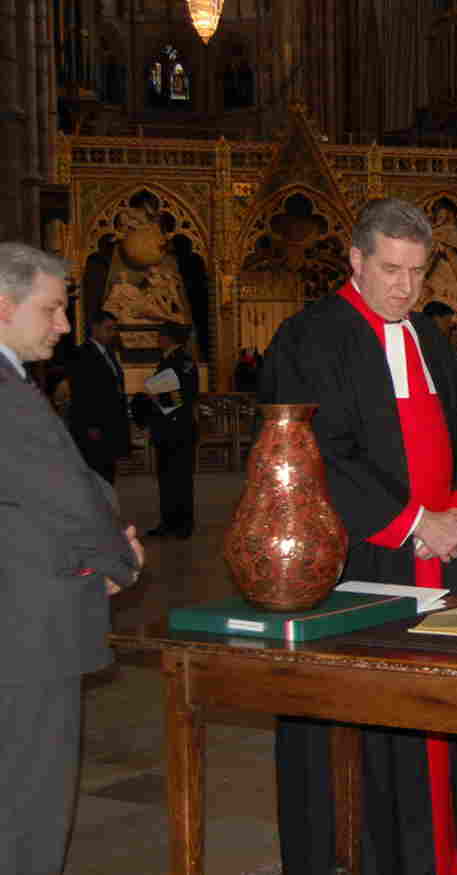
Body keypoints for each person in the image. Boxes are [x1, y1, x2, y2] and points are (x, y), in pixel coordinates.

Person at [259, 198, 457, 875]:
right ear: (356, 261)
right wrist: (411, 523)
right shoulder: (310, 337)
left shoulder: (429, 337)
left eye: (416, 272)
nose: (404, 287)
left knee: (442, 711)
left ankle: (449, 855)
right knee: (367, 730)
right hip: (360, 565)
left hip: (441, 560)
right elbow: (315, 451)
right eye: (391, 270)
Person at [0, 242, 143, 875]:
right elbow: (66, 497)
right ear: (4, 306)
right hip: (24, 635)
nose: (63, 325)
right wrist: (121, 561)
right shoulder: (8, 394)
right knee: (29, 801)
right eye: (52, 309)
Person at [145, 321, 198, 538]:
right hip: (168, 429)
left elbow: (184, 396)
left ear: (168, 338)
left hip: (179, 428)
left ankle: (183, 524)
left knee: (181, 478)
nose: (158, 339)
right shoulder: (171, 359)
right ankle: (168, 521)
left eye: (160, 335)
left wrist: (156, 395)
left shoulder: (182, 361)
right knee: (166, 477)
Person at [66, 309, 130, 483]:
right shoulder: (82, 354)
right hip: (93, 428)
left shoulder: (109, 354)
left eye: (114, 329)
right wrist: (91, 425)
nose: (112, 333)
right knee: (96, 477)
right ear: (95, 328)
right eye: (108, 329)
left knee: (108, 477)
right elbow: (82, 393)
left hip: (110, 426)